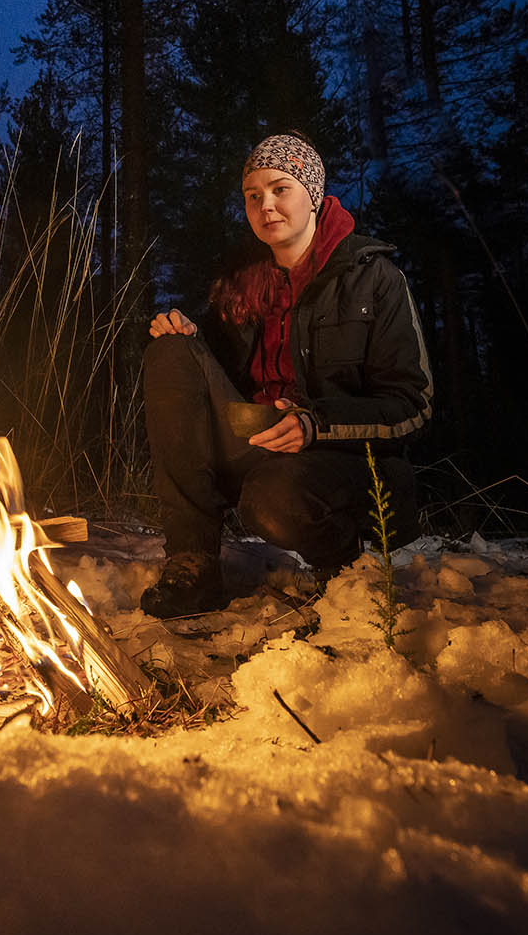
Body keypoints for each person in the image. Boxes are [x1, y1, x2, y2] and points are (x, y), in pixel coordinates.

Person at [141, 133, 433, 617]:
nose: (266, 206)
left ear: (314, 195)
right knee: (170, 351)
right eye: (253, 196)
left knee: (273, 498)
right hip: (255, 441)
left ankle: (343, 567)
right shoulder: (241, 280)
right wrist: (188, 335)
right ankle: (193, 562)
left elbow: (414, 406)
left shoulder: (375, 279)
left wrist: (315, 423)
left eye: (281, 189)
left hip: (342, 458)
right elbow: (211, 372)